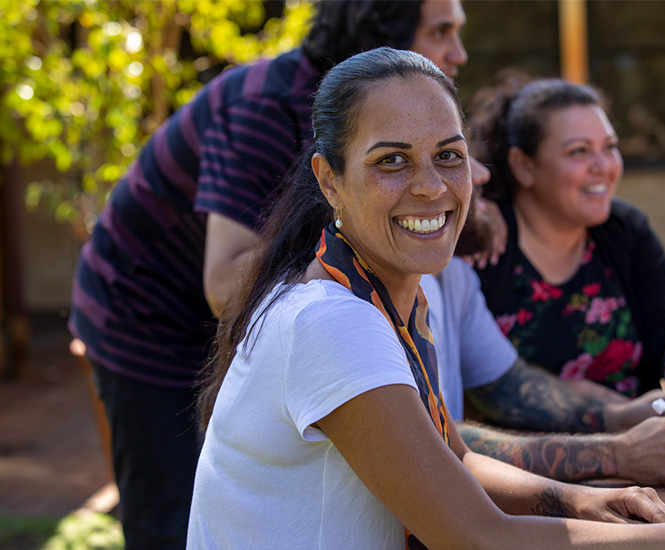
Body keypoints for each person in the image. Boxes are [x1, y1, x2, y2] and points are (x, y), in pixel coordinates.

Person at [188, 47, 665, 550]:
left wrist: (586, 499)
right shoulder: (329, 321)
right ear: (330, 181)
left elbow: (453, 459)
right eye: (391, 161)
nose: (430, 187)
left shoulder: (396, 294)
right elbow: (476, 537)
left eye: (448, 156)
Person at [67, 1, 470, 547]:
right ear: (384, 25)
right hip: (144, 318)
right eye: (441, 31)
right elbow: (225, 282)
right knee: (168, 515)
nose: (458, 53)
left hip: (239, 322)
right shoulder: (265, 107)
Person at [423, 174, 665, 485]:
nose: (482, 172)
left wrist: (625, 415)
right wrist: (616, 455)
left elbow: (507, 385)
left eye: (453, 153)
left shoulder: (453, 274)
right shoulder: (380, 300)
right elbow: (434, 441)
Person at [469, 73, 665, 406]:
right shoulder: (485, 242)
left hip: (643, 443)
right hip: (521, 454)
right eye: (579, 151)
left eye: (609, 147)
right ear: (523, 166)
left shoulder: (625, 230)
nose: (603, 166)